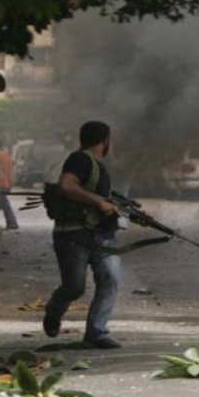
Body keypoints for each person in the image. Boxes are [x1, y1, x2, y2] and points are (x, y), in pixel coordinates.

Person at [42, 121, 123, 349]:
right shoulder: (80, 159)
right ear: (105, 140)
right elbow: (66, 185)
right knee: (74, 287)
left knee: (110, 278)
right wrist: (99, 201)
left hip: (101, 234)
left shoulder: (99, 166)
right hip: (74, 234)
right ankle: (54, 311)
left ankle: (97, 332)